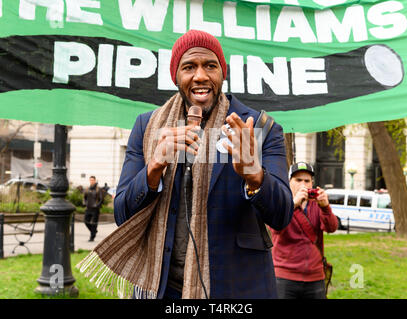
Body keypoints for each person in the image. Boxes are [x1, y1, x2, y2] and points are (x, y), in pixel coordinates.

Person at [113, 29, 293, 299]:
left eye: (210, 65)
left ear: (223, 73)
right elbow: (122, 214)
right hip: (164, 290)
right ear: (176, 76)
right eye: (189, 67)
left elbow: (282, 216)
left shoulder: (259, 127)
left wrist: (256, 177)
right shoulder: (147, 127)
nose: (200, 76)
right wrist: (154, 168)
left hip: (236, 290)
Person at [270, 162, 338, 299]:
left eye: (307, 181)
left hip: (315, 276)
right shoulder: (281, 202)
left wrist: (325, 207)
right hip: (284, 276)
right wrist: (293, 204)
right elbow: (276, 228)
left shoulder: (316, 204)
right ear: (289, 182)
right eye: (298, 180)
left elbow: (332, 228)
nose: (303, 184)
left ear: (312, 184)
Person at [83, 176, 104, 242]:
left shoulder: (98, 189)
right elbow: (84, 198)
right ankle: (94, 231)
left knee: (94, 223)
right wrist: (85, 203)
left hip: (95, 209)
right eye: (90, 180)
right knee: (86, 221)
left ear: (95, 180)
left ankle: (92, 237)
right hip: (88, 208)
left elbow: (101, 199)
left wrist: (97, 205)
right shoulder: (87, 189)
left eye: (93, 180)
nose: (91, 181)